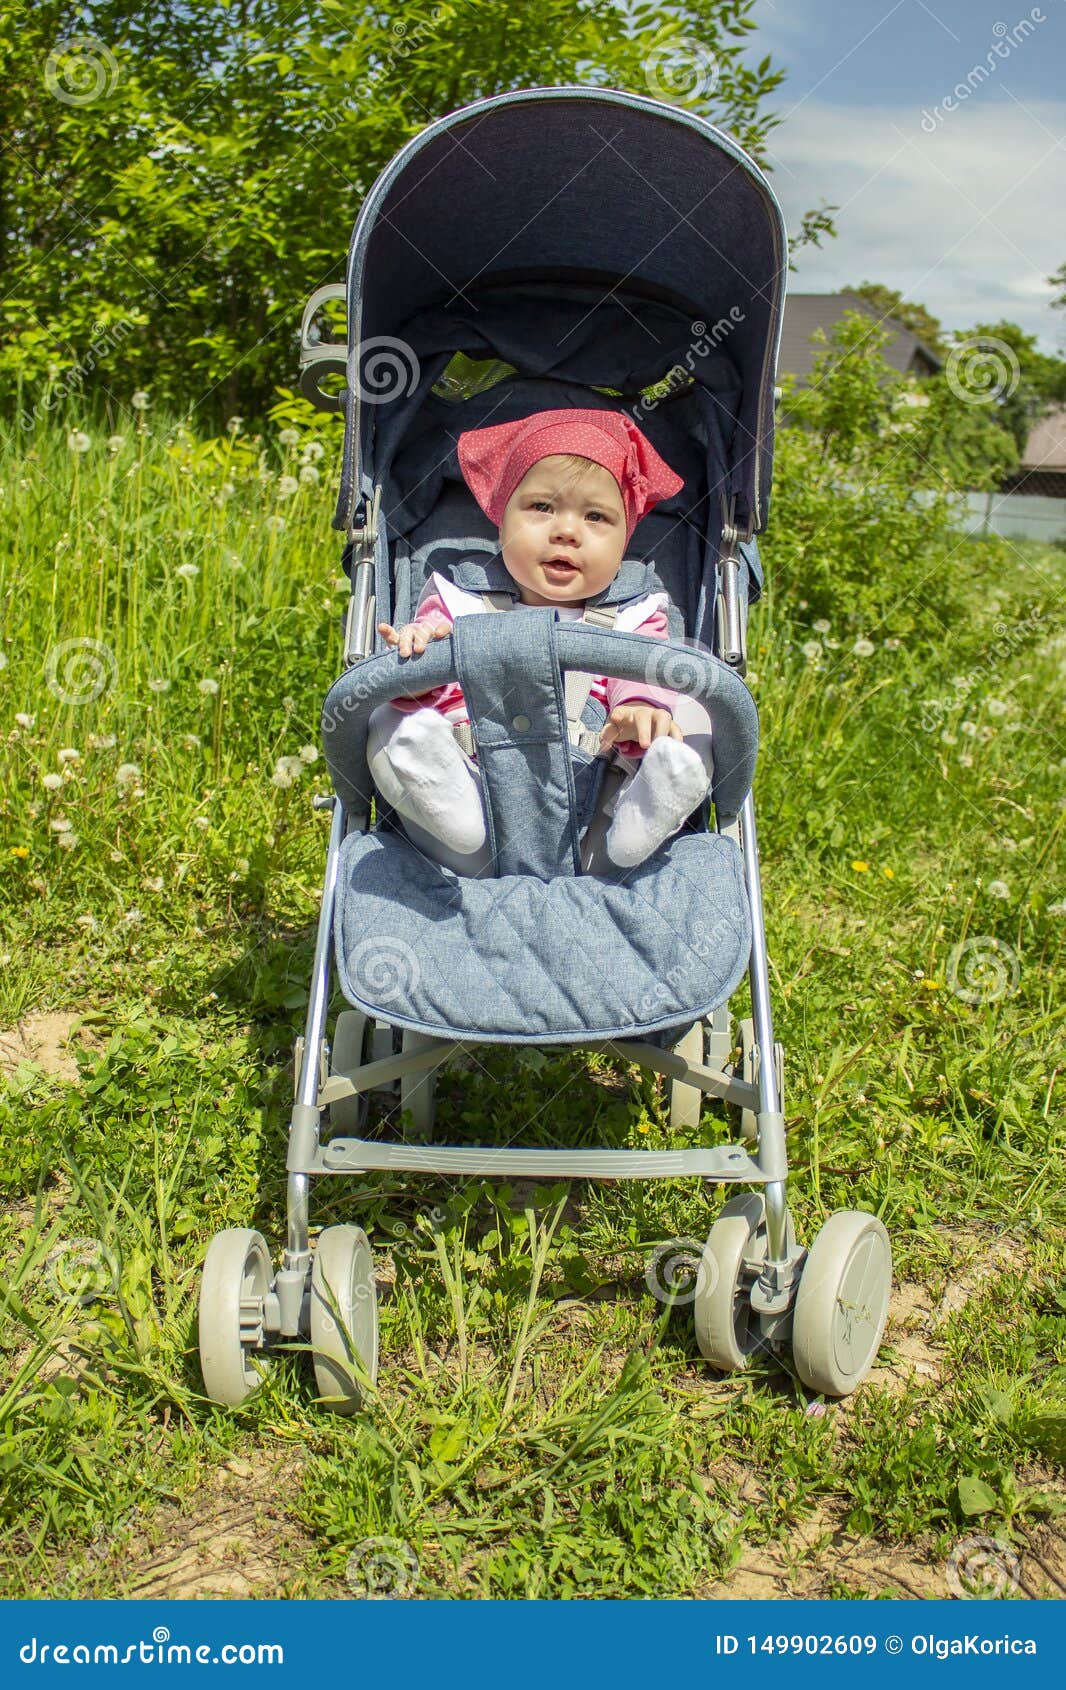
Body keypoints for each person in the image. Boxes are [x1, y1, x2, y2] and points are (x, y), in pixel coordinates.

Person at [368, 409, 711, 874]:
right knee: (386, 712)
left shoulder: (636, 610)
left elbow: (647, 670)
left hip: (595, 809)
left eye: (596, 517)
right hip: (471, 796)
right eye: (542, 508)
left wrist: (643, 707)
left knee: (693, 709)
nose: (566, 531)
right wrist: (418, 651)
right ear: (501, 518)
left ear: (625, 537)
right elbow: (426, 674)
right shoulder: (459, 595)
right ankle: (443, 798)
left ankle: (642, 814)